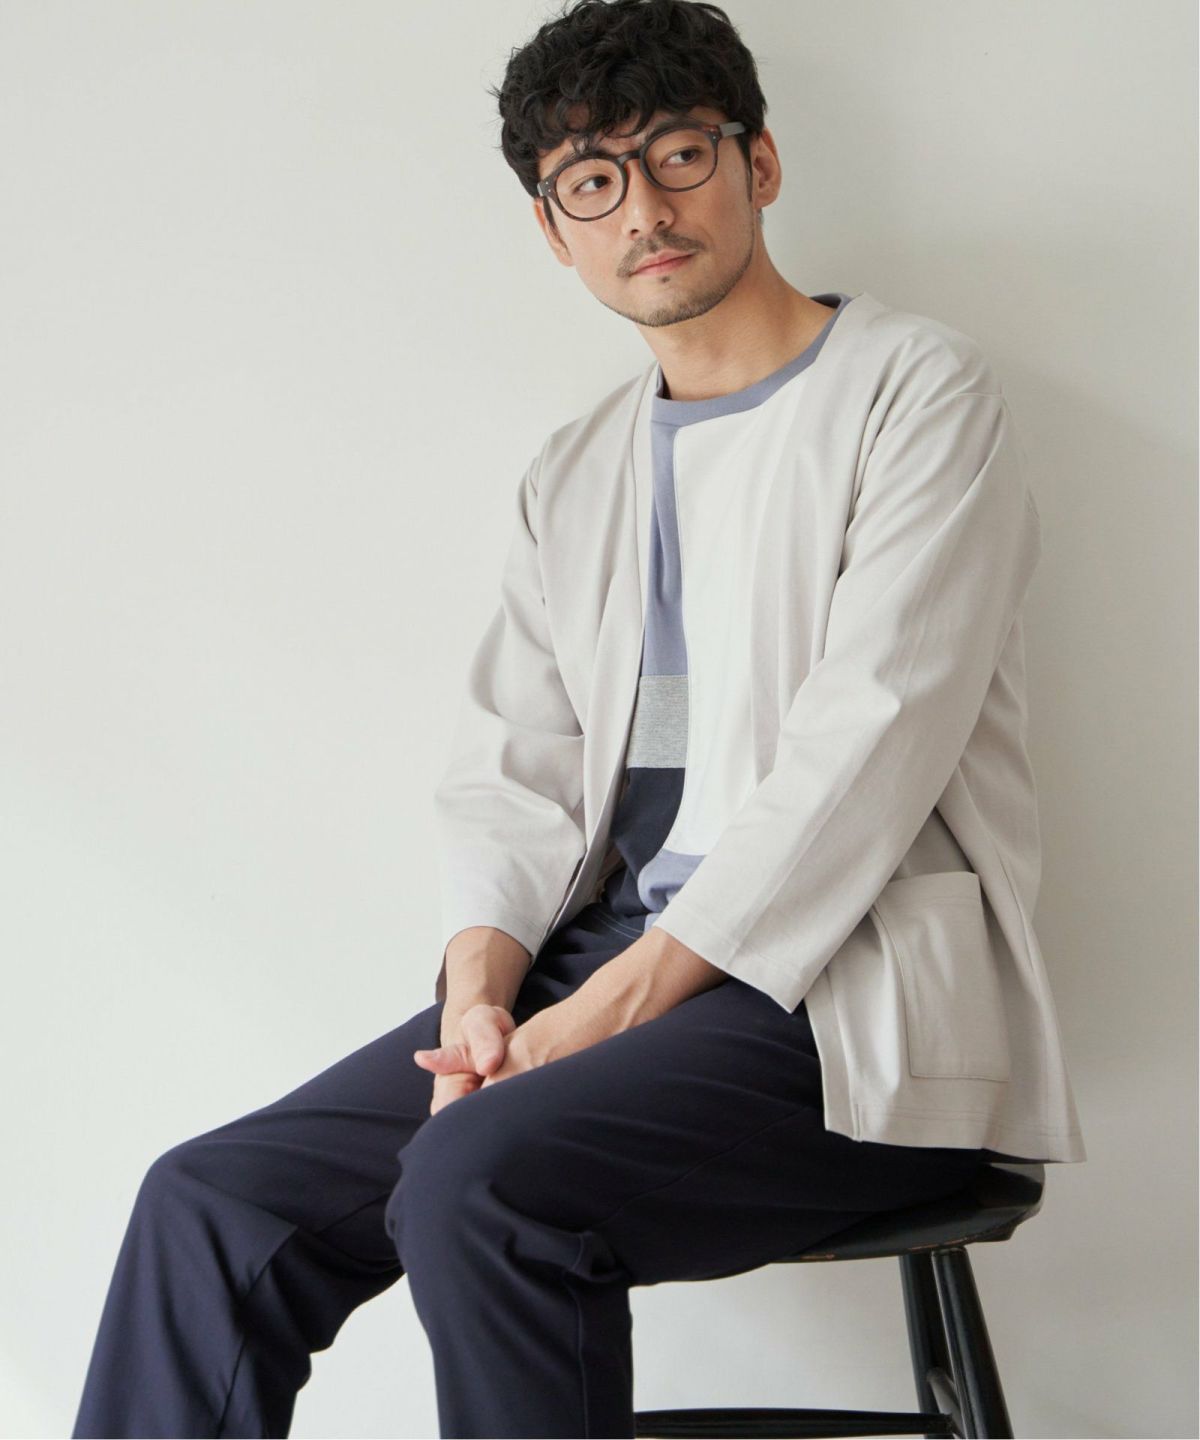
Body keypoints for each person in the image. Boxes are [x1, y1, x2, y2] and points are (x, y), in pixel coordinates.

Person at [71, 1, 1087, 1436]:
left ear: (758, 164)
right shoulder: (578, 470)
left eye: (680, 154)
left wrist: (596, 1019)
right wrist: (483, 1001)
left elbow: (869, 751)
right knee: (211, 1204)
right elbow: (517, 772)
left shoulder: (916, 393)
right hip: (606, 971)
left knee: (478, 1176)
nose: (646, 211)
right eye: (593, 181)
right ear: (555, 230)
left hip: (838, 1001)